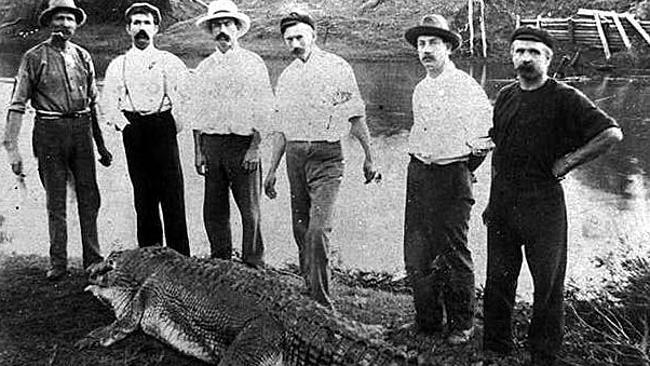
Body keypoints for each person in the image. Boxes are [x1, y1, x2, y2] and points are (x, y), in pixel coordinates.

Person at [482, 27, 623, 365]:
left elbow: (611, 133)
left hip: (543, 206)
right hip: (503, 203)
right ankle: (495, 348)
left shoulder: (565, 97)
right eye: (519, 51)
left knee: (547, 285)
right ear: (512, 57)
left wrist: (569, 161)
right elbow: (498, 148)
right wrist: (488, 195)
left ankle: (543, 354)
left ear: (547, 58)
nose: (525, 58)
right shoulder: (505, 96)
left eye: (533, 52)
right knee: (498, 279)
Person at [264, 11, 379, 308]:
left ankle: (322, 303)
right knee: (300, 227)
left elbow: (355, 116)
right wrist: (272, 170)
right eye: (289, 39)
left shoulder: (336, 67)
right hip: (295, 156)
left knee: (318, 229)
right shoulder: (287, 76)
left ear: (313, 35)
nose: (295, 44)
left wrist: (370, 157)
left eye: (300, 37)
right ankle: (309, 287)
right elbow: (280, 129)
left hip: (327, 157)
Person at [2, 0, 113, 280]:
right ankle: (59, 262)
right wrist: (11, 148)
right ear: (50, 22)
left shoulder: (83, 56)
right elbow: (17, 105)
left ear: (76, 24)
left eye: (70, 19)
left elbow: (92, 103)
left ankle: (93, 259)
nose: (65, 24)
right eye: (59, 18)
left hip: (82, 131)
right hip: (49, 131)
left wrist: (101, 145)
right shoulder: (33, 57)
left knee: (90, 197)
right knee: (56, 199)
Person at [401, 14, 493, 345]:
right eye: (421, 45)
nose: (426, 50)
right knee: (417, 250)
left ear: (449, 47)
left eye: (433, 44)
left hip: (452, 175)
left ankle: (461, 324)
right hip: (419, 173)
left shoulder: (466, 87)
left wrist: (462, 170)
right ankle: (426, 321)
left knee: (454, 251)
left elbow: (483, 141)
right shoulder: (421, 88)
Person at [101, 2, 190, 255]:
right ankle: (150, 256)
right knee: (144, 195)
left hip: (163, 127)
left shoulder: (169, 61)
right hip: (134, 129)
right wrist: (125, 126)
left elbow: (185, 97)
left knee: (172, 194)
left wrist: (173, 124)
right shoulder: (119, 64)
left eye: (147, 23)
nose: (142, 28)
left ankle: (179, 257)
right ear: (129, 29)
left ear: (156, 28)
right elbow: (108, 103)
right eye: (137, 23)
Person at [191, 0, 274, 267]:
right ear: (211, 32)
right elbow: (197, 112)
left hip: (243, 145)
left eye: (227, 24)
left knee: (250, 211)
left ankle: (253, 264)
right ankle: (220, 263)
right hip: (212, 145)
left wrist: (255, 146)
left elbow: (265, 109)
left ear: (237, 28)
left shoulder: (253, 63)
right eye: (216, 25)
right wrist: (198, 150)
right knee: (214, 210)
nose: (222, 30)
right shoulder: (204, 68)